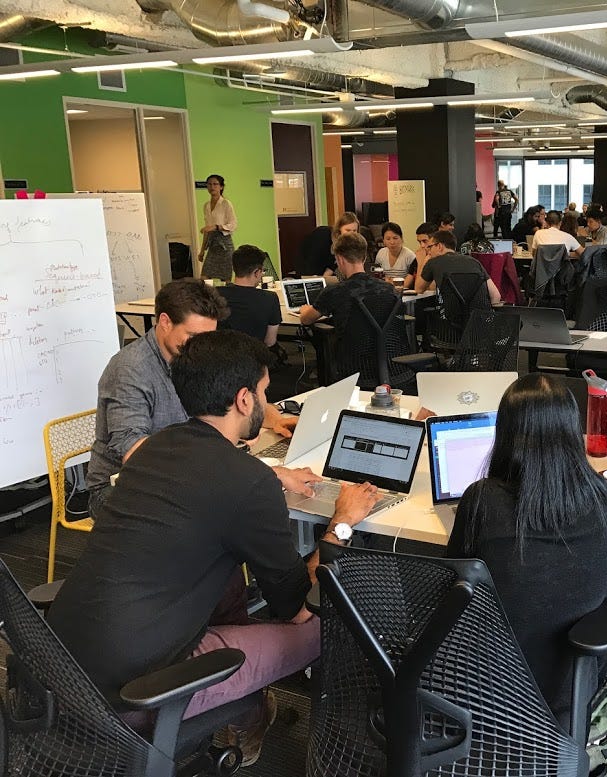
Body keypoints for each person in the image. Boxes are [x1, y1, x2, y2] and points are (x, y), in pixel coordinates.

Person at [49, 330, 379, 766]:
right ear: (244, 400)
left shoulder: (155, 447)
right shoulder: (248, 483)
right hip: (136, 695)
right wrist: (341, 523)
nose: (266, 401)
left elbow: (212, 475)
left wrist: (270, 475)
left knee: (227, 581)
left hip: (61, 662)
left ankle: (247, 709)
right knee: (326, 623)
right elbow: (297, 608)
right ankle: (264, 724)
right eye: (264, 392)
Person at [446, 373, 607, 718]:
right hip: (571, 692)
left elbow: (452, 578)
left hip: (485, 684)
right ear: (573, 432)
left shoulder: (481, 499)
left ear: (505, 434)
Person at [87, 278, 303, 517]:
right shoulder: (131, 369)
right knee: (236, 509)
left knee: (249, 499)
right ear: (165, 322)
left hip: (183, 471)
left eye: (208, 337)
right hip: (118, 489)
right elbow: (133, 451)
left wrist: (275, 419)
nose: (200, 346)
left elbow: (240, 398)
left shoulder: (195, 356)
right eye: (193, 335)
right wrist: (233, 468)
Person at [299, 232, 395, 328]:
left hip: (347, 338)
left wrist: (304, 311)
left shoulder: (333, 292)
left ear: (340, 259)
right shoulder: (389, 289)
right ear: (364, 258)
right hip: (381, 338)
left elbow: (306, 320)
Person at [414, 229, 502, 304]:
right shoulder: (474, 262)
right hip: (479, 316)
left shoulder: (433, 262)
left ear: (439, 246)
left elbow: (418, 289)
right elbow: (496, 296)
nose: (429, 251)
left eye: (430, 247)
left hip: (451, 317)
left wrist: (422, 261)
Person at [217, 245, 281, 346]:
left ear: (234, 269)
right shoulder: (270, 298)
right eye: (262, 271)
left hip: (220, 352)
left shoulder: (215, 294)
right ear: (257, 272)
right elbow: (269, 342)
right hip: (255, 354)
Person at [199, 174, 237, 282]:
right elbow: (207, 230)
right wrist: (202, 251)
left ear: (221, 187)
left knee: (226, 279)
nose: (212, 187)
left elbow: (233, 225)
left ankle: (227, 293)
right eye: (209, 184)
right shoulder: (206, 205)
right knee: (204, 277)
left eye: (215, 184)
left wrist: (216, 227)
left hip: (224, 244)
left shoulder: (226, 203)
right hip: (212, 244)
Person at [403, 221, 437, 289]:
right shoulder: (419, 256)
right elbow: (405, 284)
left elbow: (430, 289)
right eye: (419, 242)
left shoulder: (438, 259)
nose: (422, 245)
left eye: (425, 241)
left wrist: (421, 263)